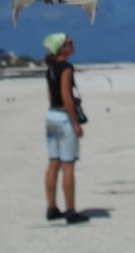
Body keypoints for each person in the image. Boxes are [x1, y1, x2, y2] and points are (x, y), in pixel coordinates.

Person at [43, 32, 89, 224]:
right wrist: (76, 123)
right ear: (62, 48)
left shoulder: (50, 67)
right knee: (68, 165)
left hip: (51, 115)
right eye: (69, 42)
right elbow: (67, 96)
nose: (73, 44)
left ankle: (52, 208)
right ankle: (70, 210)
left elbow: (51, 95)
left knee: (54, 163)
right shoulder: (66, 67)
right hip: (63, 117)